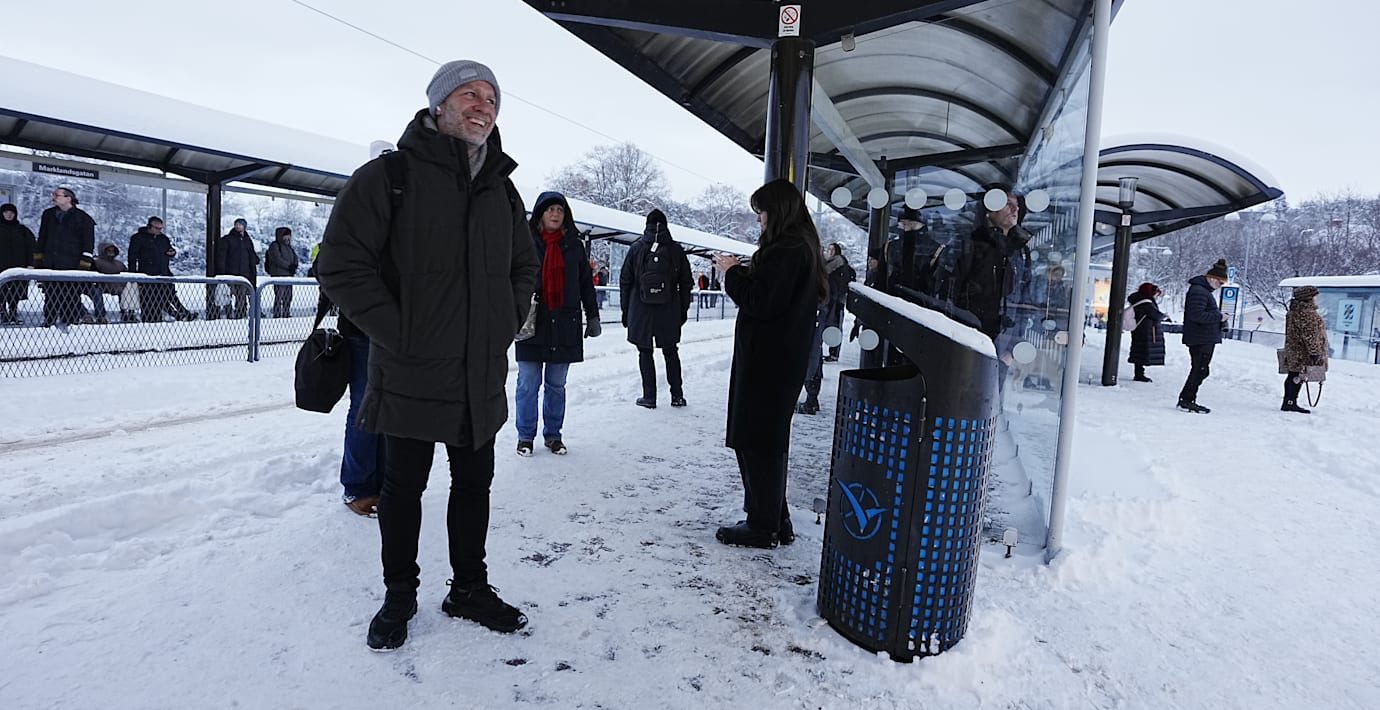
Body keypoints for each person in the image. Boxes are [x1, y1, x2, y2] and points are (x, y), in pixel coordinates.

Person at [316, 59, 540, 651]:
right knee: (402, 489)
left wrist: (499, 324)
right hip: (411, 367)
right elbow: (340, 263)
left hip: (479, 371)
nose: (482, 105)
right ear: (439, 104)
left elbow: (524, 266)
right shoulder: (389, 176)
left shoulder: (502, 187)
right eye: (469, 93)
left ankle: (468, 587)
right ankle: (399, 595)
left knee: (474, 485)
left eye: (491, 98)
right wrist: (400, 330)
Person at [711, 178, 827, 550]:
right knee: (767, 439)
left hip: (767, 361)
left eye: (761, 212)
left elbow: (761, 302)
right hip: (780, 359)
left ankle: (762, 525)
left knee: (756, 439)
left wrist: (730, 272)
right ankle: (777, 519)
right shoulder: (801, 247)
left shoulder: (787, 249)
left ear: (777, 212)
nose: (759, 219)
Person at [514, 191, 601, 457]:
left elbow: (586, 283)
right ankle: (525, 436)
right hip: (532, 322)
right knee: (528, 383)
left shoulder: (574, 246)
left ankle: (553, 436)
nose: (555, 214)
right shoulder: (525, 242)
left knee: (556, 384)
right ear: (540, 213)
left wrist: (593, 316)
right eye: (550, 209)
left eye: (560, 210)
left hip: (565, 322)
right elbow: (512, 277)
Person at [311, 247, 385, 516]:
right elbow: (324, 266)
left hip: (398, 329)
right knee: (365, 406)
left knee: (389, 407)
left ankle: (382, 482)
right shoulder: (357, 219)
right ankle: (359, 486)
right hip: (363, 329)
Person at [620, 208, 693, 408]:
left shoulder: (636, 248)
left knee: (645, 351)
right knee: (670, 351)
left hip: (640, 309)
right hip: (669, 309)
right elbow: (686, 282)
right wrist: (682, 310)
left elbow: (625, 280)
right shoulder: (676, 250)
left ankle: (649, 397)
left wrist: (626, 311)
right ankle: (677, 395)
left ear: (647, 225)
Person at [954, 192, 1032, 341]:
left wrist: (1012, 346)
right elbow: (952, 291)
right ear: (990, 209)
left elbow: (1024, 298)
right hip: (968, 334)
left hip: (1004, 338)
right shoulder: (971, 244)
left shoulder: (1021, 250)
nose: (1015, 209)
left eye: (1017, 205)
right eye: (1007, 204)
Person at [34, 187, 95, 327]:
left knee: (71, 296)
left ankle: (70, 324)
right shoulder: (48, 215)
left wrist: (84, 265)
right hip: (51, 264)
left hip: (71, 265)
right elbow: (42, 237)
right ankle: (49, 323)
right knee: (50, 296)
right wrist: (38, 260)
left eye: (57, 195)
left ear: (68, 198)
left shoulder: (83, 218)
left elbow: (88, 243)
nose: (53, 197)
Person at [1176, 259, 1230, 413]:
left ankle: (1187, 399)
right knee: (1200, 369)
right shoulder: (1199, 291)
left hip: (1202, 337)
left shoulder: (1201, 291)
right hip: (1201, 338)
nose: (1220, 287)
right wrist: (1219, 318)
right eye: (1220, 283)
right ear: (1212, 279)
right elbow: (1197, 315)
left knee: (1200, 369)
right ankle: (1187, 400)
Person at [128, 217, 195, 322]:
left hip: (164, 273)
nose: (159, 231)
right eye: (157, 228)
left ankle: (179, 314)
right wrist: (134, 275)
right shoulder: (138, 238)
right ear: (149, 226)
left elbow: (168, 250)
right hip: (147, 275)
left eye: (161, 228)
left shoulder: (163, 239)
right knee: (150, 300)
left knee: (167, 296)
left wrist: (171, 253)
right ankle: (155, 319)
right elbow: (132, 257)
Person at [1280, 285, 1328, 414]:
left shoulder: (1293, 311)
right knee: (1297, 376)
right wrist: (1315, 352)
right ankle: (1290, 402)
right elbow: (1310, 335)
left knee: (1293, 375)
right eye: (1314, 296)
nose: (1316, 299)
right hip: (1302, 352)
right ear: (1308, 298)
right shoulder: (1307, 313)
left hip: (1294, 349)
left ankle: (1289, 401)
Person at [0, 203, 37, 324]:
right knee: (2, 291)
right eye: (6, 212)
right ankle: (2, 313)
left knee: (15, 292)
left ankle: (13, 313)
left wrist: (30, 263)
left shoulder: (22, 230)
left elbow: (31, 247)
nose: (9, 215)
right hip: (1, 267)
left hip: (18, 266)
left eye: (11, 212)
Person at [215, 218, 259, 318]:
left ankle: (240, 313)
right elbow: (222, 257)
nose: (238, 226)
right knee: (228, 295)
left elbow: (251, 255)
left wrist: (254, 261)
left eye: (240, 224)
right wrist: (222, 272)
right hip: (231, 273)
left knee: (241, 296)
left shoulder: (247, 240)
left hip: (244, 274)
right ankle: (230, 314)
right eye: (237, 224)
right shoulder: (228, 239)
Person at [821, 243, 856, 361]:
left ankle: (834, 352)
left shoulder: (838, 265)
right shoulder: (830, 264)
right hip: (832, 299)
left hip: (835, 300)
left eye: (832, 249)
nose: (829, 251)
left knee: (834, 325)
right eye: (828, 249)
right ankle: (833, 352)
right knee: (832, 325)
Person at [1126, 282, 1165, 382]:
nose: (1156, 296)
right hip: (1145, 331)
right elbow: (1155, 314)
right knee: (1142, 352)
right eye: (1156, 294)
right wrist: (1164, 316)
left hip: (1139, 330)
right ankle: (1139, 374)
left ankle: (1139, 373)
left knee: (1139, 351)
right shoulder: (1146, 303)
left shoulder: (1138, 300)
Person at [88, 242, 131, 323]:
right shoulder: (96, 262)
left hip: (120, 286)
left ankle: (128, 314)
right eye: (108, 250)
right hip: (102, 286)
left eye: (112, 250)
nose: (111, 252)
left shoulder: (119, 264)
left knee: (130, 289)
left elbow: (127, 273)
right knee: (96, 292)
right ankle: (100, 316)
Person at [264, 226, 300, 318]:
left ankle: (286, 312)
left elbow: (294, 257)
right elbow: (277, 259)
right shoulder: (275, 246)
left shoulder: (289, 247)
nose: (288, 238)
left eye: (289, 235)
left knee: (288, 296)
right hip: (279, 275)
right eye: (286, 235)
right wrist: (289, 266)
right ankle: (277, 313)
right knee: (279, 295)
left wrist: (294, 265)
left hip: (288, 275)